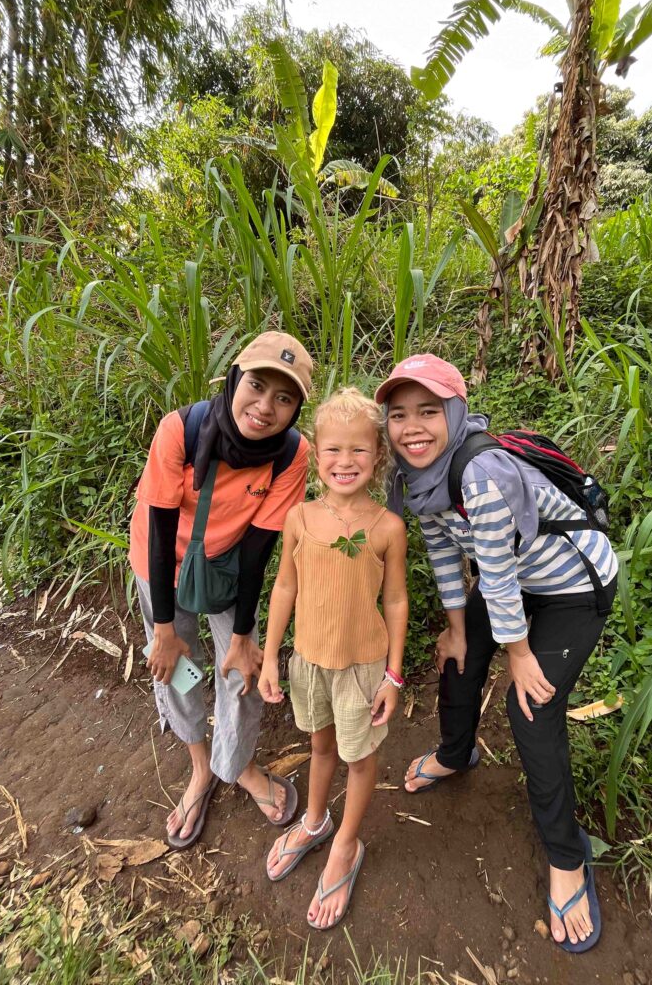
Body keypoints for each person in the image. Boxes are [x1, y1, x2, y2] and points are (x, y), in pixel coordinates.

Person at [375, 355, 618, 954]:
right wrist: (457, 628)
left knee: (531, 707)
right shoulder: (415, 475)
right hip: (513, 576)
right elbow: (443, 551)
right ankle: (456, 754)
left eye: (428, 411)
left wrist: (519, 653)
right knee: (457, 659)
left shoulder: (478, 472)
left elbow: (498, 572)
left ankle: (567, 858)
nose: (412, 428)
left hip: (572, 583)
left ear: (455, 412)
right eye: (398, 415)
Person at [129, 331, 313, 849]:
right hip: (160, 563)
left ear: (296, 409)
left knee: (241, 668)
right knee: (176, 667)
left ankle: (238, 764)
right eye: (256, 386)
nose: (265, 407)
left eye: (284, 397)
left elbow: (258, 548)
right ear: (234, 380)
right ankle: (200, 765)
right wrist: (164, 630)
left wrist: (243, 634)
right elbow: (161, 532)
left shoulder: (290, 454)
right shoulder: (181, 431)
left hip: (228, 567)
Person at [259, 387, 408, 930]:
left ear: (379, 455)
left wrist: (393, 675)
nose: (346, 461)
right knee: (319, 746)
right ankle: (316, 820)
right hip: (310, 663)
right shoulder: (299, 518)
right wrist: (270, 656)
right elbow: (284, 588)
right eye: (334, 450)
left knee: (359, 758)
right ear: (316, 453)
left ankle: (346, 843)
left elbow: (396, 601)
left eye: (359, 449)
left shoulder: (388, 526)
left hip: (363, 669)